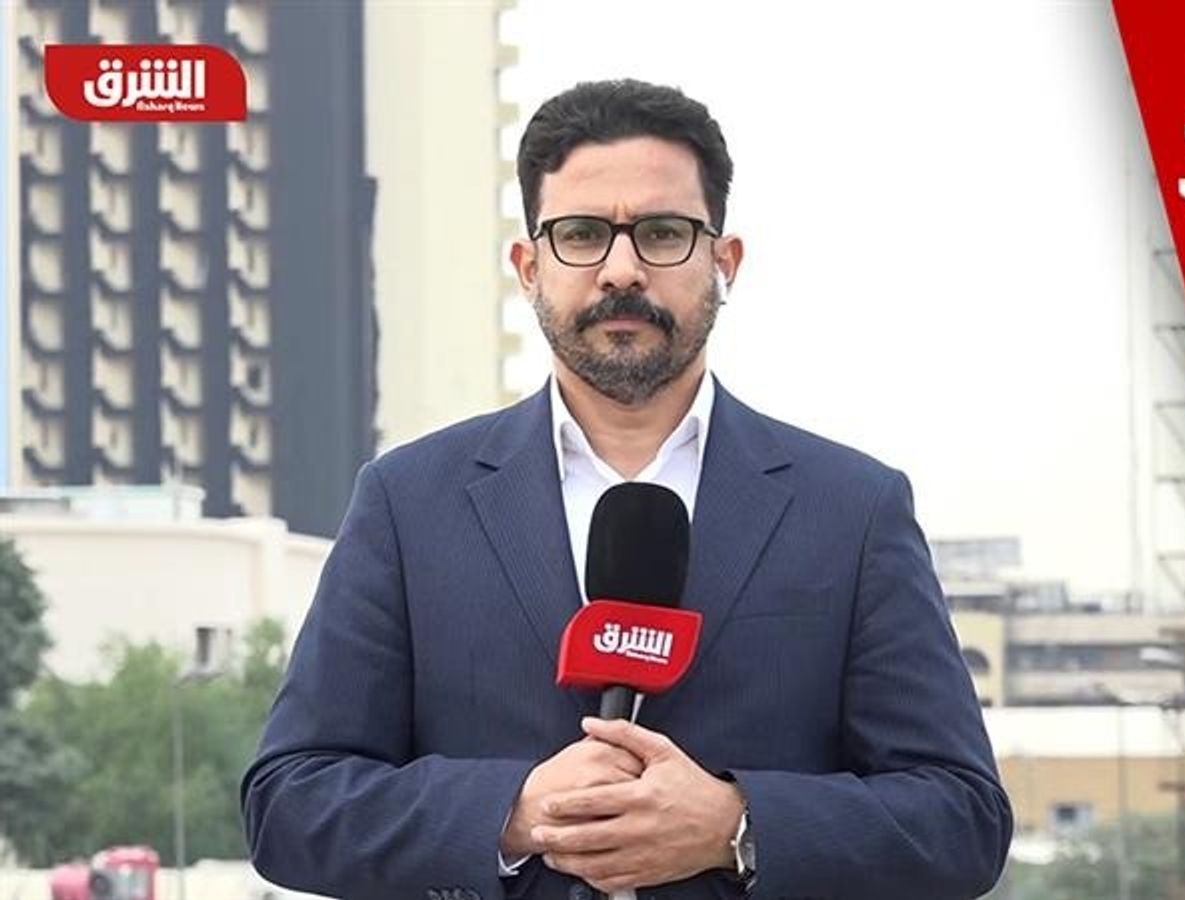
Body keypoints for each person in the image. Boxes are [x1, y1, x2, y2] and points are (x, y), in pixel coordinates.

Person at [240, 78, 1011, 900]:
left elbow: (961, 819)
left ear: (724, 262)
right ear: (529, 267)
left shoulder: (852, 510)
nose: (620, 270)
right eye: (580, 234)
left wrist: (736, 825)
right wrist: (512, 813)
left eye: (662, 233)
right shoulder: (408, 503)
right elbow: (290, 803)